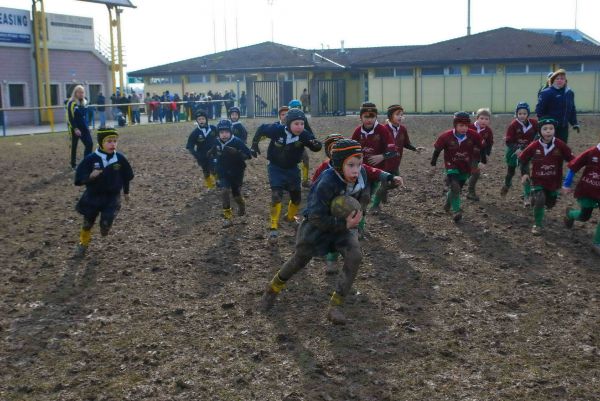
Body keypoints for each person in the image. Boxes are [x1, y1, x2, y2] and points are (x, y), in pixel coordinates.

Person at [260, 139, 404, 324]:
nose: (356, 169)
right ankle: (272, 289)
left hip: (345, 226)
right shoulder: (326, 182)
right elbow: (315, 216)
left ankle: (335, 305)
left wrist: (390, 177)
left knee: (355, 256)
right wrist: (345, 224)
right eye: (350, 165)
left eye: (358, 164)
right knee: (299, 260)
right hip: (317, 227)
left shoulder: (361, 172)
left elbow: (372, 170)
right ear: (338, 165)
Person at [251, 109, 322, 243]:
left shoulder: (304, 135)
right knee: (276, 195)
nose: (300, 127)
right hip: (275, 167)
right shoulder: (276, 130)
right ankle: (273, 227)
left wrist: (316, 145)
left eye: (302, 123)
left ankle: (289, 217)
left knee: (296, 199)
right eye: (296, 123)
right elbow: (261, 129)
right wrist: (254, 144)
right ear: (288, 123)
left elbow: (315, 146)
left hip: (292, 169)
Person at [73, 127, 134, 257]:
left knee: (107, 221)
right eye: (109, 141)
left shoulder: (119, 159)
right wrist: (90, 176)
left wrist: (126, 192)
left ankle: (104, 227)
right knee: (87, 223)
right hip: (93, 197)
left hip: (112, 197)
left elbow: (126, 176)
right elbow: (78, 179)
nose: (113, 144)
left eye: (115, 141)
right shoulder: (90, 159)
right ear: (101, 142)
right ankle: (83, 243)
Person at [518, 118, 574, 235]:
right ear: (539, 131)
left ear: (554, 130)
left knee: (550, 204)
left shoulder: (560, 145)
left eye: (551, 129)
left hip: (554, 181)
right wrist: (525, 174)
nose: (548, 131)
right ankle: (537, 225)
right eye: (545, 129)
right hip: (538, 180)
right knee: (540, 200)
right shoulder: (534, 145)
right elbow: (523, 159)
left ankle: (536, 198)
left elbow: (573, 160)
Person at [430, 112, 486, 222]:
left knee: (457, 189)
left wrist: (483, 160)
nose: (464, 128)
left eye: (466, 125)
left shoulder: (474, 135)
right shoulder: (445, 136)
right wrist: (433, 163)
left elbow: (482, 147)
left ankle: (448, 202)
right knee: (455, 186)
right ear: (455, 125)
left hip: (466, 166)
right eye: (461, 125)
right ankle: (457, 211)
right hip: (451, 165)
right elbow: (437, 150)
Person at [351, 102, 397, 233]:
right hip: (359, 171)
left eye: (372, 116)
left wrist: (382, 156)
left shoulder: (383, 130)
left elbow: (393, 150)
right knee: (363, 197)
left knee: (365, 198)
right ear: (361, 117)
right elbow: (350, 149)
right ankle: (358, 227)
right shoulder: (357, 132)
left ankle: (359, 225)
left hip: (376, 172)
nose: (369, 119)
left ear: (376, 117)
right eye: (366, 116)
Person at [371, 104, 424, 212]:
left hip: (395, 163)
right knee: (384, 183)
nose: (400, 117)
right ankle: (374, 206)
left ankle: (383, 190)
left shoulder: (403, 129)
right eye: (397, 114)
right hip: (384, 163)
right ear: (390, 116)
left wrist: (415, 149)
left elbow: (406, 143)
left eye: (402, 115)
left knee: (396, 183)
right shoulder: (383, 129)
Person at [208, 119, 253, 227]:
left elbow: (248, 155)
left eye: (227, 132)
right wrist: (211, 158)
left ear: (231, 132)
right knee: (224, 191)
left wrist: (237, 153)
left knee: (236, 195)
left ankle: (242, 205)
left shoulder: (237, 141)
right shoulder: (216, 141)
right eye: (221, 132)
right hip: (223, 172)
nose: (224, 134)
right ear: (218, 133)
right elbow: (213, 153)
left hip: (237, 172)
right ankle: (227, 217)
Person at [563, 140, 600, 255]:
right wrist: (567, 183)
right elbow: (574, 166)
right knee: (584, 216)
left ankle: (597, 243)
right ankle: (570, 214)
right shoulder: (592, 152)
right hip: (588, 190)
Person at [501, 102, 539, 206]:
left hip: (526, 153)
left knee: (525, 173)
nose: (522, 115)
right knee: (511, 172)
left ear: (528, 114)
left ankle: (527, 196)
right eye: (520, 113)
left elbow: (539, 133)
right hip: (513, 152)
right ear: (517, 113)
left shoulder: (534, 123)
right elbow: (508, 141)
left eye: (524, 113)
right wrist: (516, 149)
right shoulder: (513, 125)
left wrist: (533, 143)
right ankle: (507, 184)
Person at [535, 69, 580, 143]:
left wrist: (574, 123)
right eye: (557, 78)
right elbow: (539, 110)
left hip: (563, 127)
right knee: (544, 147)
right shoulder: (546, 93)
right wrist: (544, 123)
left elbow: (572, 109)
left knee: (561, 149)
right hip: (549, 127)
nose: (559, 80)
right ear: (553, 80)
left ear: (565, 81)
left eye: (562, 78)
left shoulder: (569, 93)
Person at [186, 110, 218, 190]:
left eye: (203, 119)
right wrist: (196, 155)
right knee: (206, 171)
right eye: (199, 119)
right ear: (197, 120)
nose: (201, 121)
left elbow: (220, 137)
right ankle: (210, 185)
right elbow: (189, 146)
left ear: (206, 119)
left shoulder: (213, 128)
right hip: (202, 156)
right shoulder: (195, 133)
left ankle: (219, 182)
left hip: (213, 153)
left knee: (214, 168)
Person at [466, 108, 493, 201]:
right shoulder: (469, 127)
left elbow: (489, 143)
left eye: (486, 119)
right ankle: (470, 191)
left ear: (489, 120)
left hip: (478, 156)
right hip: (466, 154)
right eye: (481, 118)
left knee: (474, 173)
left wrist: (487, 154)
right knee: (474, 173)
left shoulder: (488, 131)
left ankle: (470, 191)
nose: (484, 121)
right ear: (477, 118)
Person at [67, 85, 93, 169]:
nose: (81, 94)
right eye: (79, 92)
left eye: (82, 92)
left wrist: (88, 126)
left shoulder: (85, 103)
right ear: (75, 93)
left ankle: (86, 162)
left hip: (84, 127)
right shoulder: (72, 103)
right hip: (75, 128)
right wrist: (75, 128)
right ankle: (73, 164)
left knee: (89, 144)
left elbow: (86, 116)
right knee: (74, 145)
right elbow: (70, 117)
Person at [288, 99, 312, 188]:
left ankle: (305, 180)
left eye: (298, 107)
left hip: (299, 144)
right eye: (294, 107)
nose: (296, 109)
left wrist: (313, 139)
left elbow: (308, 130)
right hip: (287, 146)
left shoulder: (303, 118)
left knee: (305, 158)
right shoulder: (287, 118)